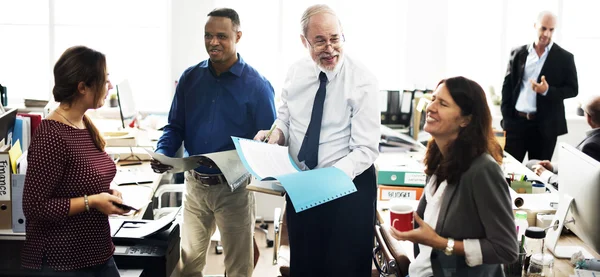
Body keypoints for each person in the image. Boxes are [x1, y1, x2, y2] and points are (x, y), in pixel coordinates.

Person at [254, 4, 380, 276]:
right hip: (303, 184)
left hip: (349, 187)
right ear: (304, 41)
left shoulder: (363, 80)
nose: (330, 48)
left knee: (343, 268)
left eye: (335, 39)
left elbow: (366, 149)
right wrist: (275, 135)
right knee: (306, 264)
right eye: (320, 41)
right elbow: (285, 118)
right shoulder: (296, 72)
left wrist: (328, 180)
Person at [152, 8, 276, 277]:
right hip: (195, 187)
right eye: (208, 36)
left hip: (234, 190)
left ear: (238, 36)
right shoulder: (190, 78)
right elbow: (175, 127)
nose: (213, 42)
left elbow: (267, 144)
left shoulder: (257, 86)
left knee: (238, 270)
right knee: (187, 266)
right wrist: (162, 154)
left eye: (221, 36)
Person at [390, 77, 518, 276]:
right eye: (433, 99)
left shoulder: (483, 169)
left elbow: (507, 249)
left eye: (442, 103)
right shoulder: (439, 158)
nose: (430, 107)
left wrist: (440, 243)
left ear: (466, 120)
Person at [22, 46, 128, 276]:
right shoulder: (51, 135)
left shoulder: (83, 124)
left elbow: (75, 182)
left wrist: (106, 193)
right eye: (105, 80)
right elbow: (34, 206)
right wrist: (93, 201)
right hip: (63, 261)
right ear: (82, 87)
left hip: (96, 253)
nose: (109, 86)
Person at [501, 11, 578, 162]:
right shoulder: (518, 53)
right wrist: (507, 118)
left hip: (545, 128)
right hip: (516, 124)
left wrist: (547, 91)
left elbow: (573, 90)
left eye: (551, 30)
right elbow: (507, 87)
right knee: (509, 171)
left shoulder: (565, 58)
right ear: (535, 26)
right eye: (543, 28)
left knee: (538, 177)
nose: (547, 34)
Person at [527, 96, 600, 187]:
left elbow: (576, 183)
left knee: (531, 167)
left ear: (588, 118)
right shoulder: (594, 139)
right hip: (567, 171)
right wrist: (552, 167)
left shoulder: (592, 146)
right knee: (531, 163)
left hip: (567, 185)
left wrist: (545, 174)